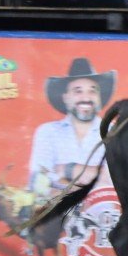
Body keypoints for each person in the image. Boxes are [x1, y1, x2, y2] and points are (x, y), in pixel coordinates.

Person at [29, 57, 116, 201]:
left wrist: (66, 170)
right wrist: (94, 176)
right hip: (56, 219)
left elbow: (114, 182)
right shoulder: (47, 133)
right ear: (65, 97)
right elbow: (38, 184)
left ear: (99, 97)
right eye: (78, 91)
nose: (86, 98)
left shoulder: (115, 133)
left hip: (105, 218)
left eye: (92, 91)